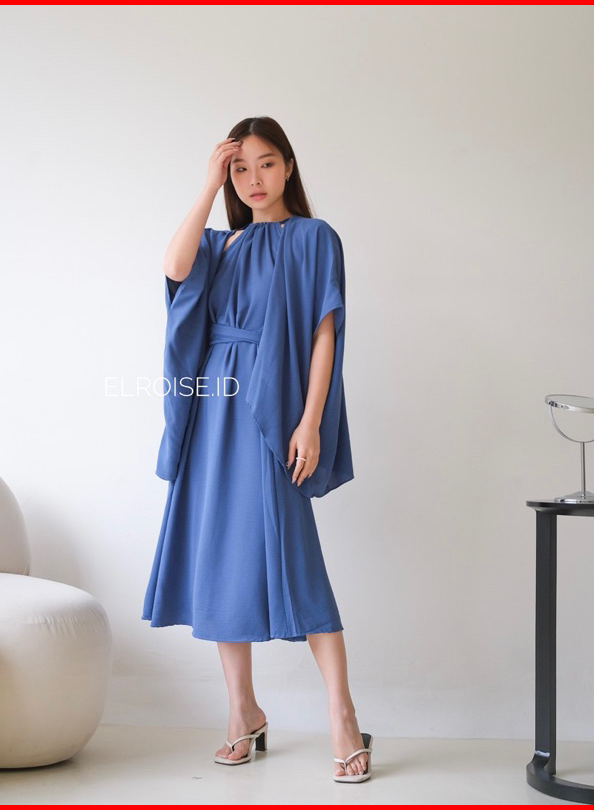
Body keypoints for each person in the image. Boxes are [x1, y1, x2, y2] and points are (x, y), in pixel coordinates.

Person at [142, 117, 372, 782]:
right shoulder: (219, 244)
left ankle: (342, 717)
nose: (254, 179)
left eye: (266, 164)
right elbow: (174, 267)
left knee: (296, 558)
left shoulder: (313, 238)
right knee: (219, 555)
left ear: (289, 166)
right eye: (239, 169)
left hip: (270, 410)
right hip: (212, 407)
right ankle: (241, 710)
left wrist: (311, 421)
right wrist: (206, 185)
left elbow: (325, 332)